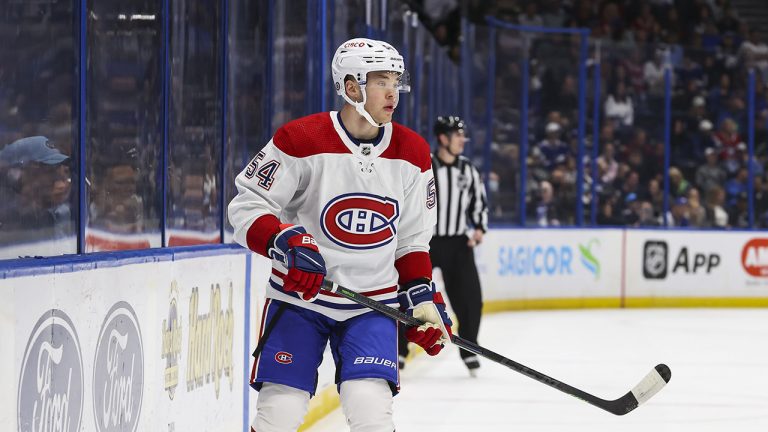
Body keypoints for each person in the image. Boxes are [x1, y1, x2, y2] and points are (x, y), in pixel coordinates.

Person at [228, 38, 453, 432]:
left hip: (373, 305)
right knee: (279, 413)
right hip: (301, 299)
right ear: (352, 87)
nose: (392, 92)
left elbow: (412, 239)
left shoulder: (413, 152)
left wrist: (420, 296)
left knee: (370, 411)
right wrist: (286, 241)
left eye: (396, 81)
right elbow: (247, 207)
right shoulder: (300, 139)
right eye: (381, 80)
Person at [399, 115, 488, 377]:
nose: (462, 140)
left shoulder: (468, 169)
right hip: (426, 241)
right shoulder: (425, 166)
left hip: (459, 243)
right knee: (408, 293)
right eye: (457, 135)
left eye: (463, 136)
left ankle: (469, 348)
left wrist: (480, 228)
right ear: (443, 138)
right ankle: (401, 349)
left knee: (471, 300)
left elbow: (479, 203)